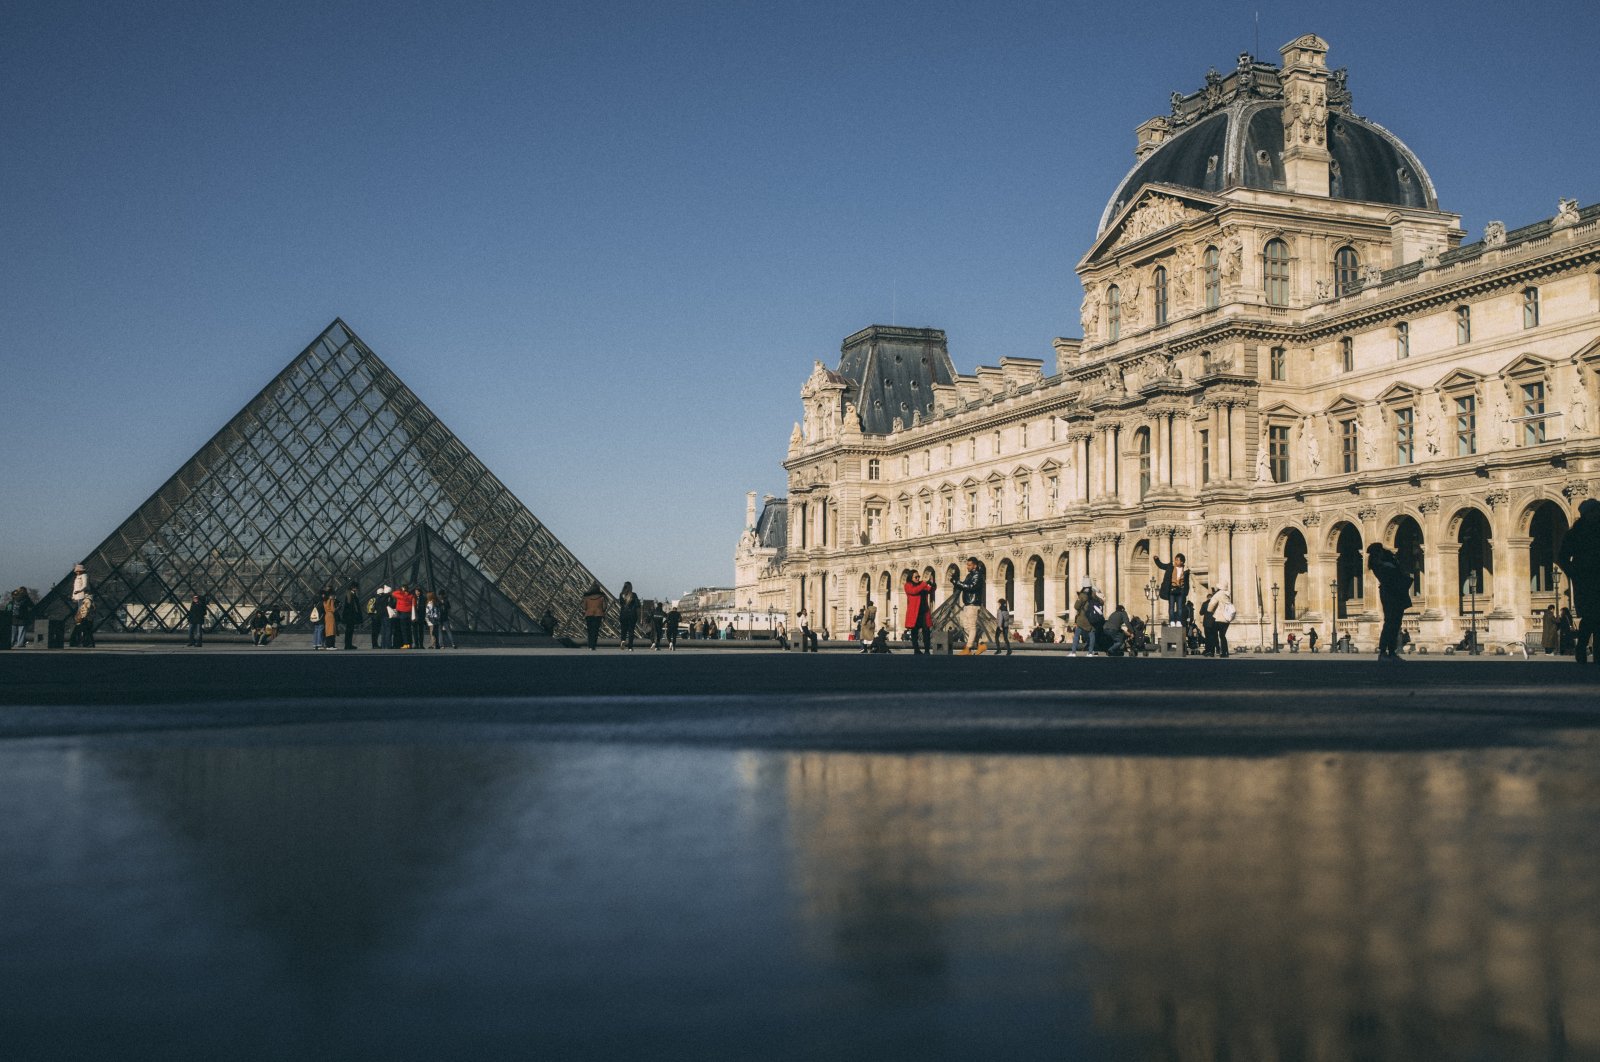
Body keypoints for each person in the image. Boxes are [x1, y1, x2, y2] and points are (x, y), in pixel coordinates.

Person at [1556, 497, 1600, 663]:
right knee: (1590, 618)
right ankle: (1581, 648)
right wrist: (1574, 572)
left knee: (1595, 617)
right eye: (1596, 511)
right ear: (1587, 514)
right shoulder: (1575, 534)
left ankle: (1593, 653)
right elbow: (1562, 557)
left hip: (1592, 577)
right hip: (1585, 579)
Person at [1366, 543, 1411, 661]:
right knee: (1391, 622)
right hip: (1390, 593)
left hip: (1395, 592)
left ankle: (1391, 651)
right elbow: (1393, 575)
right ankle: (1384, 651)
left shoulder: (1386, 561)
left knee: (1395, 623)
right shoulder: (1379, 565)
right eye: (1379, 551)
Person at [951, 557, 986, 655]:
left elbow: (972, 587)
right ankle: (981, 644)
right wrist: (955, 581)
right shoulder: (970, 575)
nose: (967, 567)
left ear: (975, 565)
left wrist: (957, 583)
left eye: (969, 565)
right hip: (967, 603)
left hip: (973, 603)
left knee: (971, 626)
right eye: (967, 565)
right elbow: (964, 585)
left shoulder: (977, 575)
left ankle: (968, 648)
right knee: (966, 626)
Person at [1154, 552, 1191, 626]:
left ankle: (1179, 621)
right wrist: (1156, 560)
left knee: (1179, 607)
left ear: (1182, 562)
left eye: (1178, 560)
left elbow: (1187, 583)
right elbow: (1161, 565)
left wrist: (1186, 592)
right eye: (1175, 559)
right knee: (1171, 607)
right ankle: (1172, 621)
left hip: (1180, 590)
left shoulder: (1185, 570)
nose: (1176, 561)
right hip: (1171, 590)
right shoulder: (1170, 566)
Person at [903, 570, 934, 655]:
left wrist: (932, 584)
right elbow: (913, 591)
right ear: (911, 577)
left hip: (924, 612)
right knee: (914, 632)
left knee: (926, 631)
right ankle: (916, 650)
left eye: (918, 577)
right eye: (916, 577)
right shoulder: (907, 585)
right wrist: (923, 584)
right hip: (914, 613)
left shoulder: (921, 584)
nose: (918, 578)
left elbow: (930, 590)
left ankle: (927, 650)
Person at [1200, 583, 1235, 658]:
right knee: (1222, 636)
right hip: (1226, 619)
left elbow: (1211, 605)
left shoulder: (1218, 594)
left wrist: (1210, 611)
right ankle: (1225, 652)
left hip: (1219, 618)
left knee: (1213, 635)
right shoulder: (1227, 594)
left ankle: (1211, 652)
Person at [1071, 584, 1101, 655]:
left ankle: (1073, 652)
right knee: (1091, 635)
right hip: (1092, 619)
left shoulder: (1082, 596)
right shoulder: (1095, 596)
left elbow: (1076, 606)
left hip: (1083, 618)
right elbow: (1101, 602)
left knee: (1077, 635)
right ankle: (1090, 652)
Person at [581, 583, 606, 650]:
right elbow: (604, 607)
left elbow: (584, 607)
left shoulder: (586, 597)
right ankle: (593, 645)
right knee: (595, 631)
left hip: (589, 615)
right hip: (598, 615)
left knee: (590, 631)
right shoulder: (602, 597)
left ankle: (590, 645)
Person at [617, 582, 641, 650]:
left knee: (623, 629)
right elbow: (637, 605)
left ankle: (623, 640)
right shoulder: (634, 595)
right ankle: (630, 647)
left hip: (623, 614)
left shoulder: (621, 595)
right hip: (632, 615)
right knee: (631, 631)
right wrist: (638, 616)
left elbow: (621, 604)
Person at [391, 584, 414, 648]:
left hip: (402, 614)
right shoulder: (411, 596)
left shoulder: (401, 596)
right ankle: (410, 644)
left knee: (403, 630)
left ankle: (406, 644)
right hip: (409, 614)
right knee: (408, 629)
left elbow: (394, 593)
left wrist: (401, 591)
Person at [342, 583, 363, 650]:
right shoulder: (351, 595)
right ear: (353, 588)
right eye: (356, 588)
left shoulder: (349, 594)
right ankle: (348, 645)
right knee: (349, 631)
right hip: (350, 616)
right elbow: (353, 606)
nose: (357, 589)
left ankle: (348, 644)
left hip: (349, 616)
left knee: (349, 631)